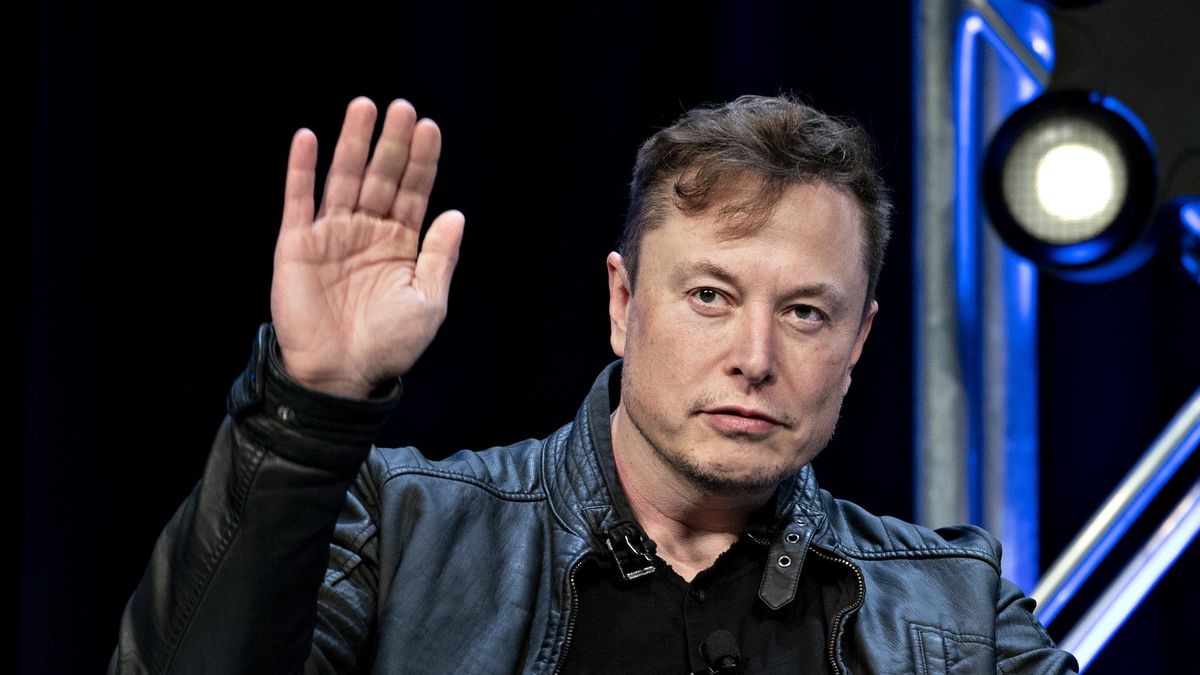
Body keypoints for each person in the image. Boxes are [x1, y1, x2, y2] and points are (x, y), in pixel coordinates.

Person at [110, 95, 1077, 674]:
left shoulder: (956, 611)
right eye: (710, 295)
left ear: (858, 339)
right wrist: (306, 407)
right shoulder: (402, 529)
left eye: (804, 312)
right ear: (622, 304)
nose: (755, 356)